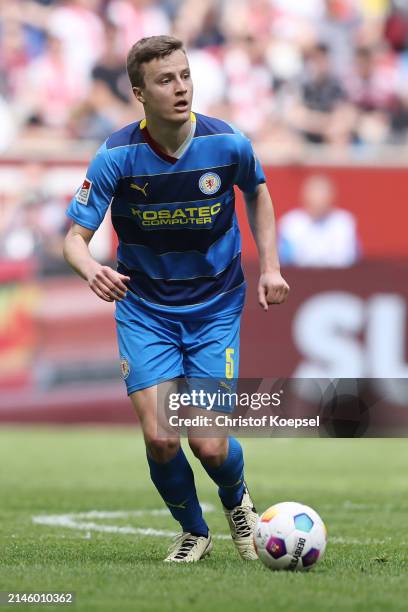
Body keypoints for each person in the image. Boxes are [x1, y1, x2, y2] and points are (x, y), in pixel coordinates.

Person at [63, 35, 289, 563]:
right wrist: (92, 270)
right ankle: (195, 530)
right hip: (145, 311)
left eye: (185, 75)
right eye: (166, 80)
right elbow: (73, 240)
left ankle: (237, 503)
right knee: (162, 437)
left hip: (213, 307)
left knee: (208, 444)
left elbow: (258, 189)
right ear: (140, 93)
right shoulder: (116, 155)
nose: (181, 87)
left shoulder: (228, 142)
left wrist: (271, 267)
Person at [278, 174, 360, 267]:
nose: (318, 200)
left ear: (332, 197)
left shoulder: (344, 222)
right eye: (314, 193)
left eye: (322, 194)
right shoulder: (290, 223)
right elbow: (288, 258)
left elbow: (348, 257)